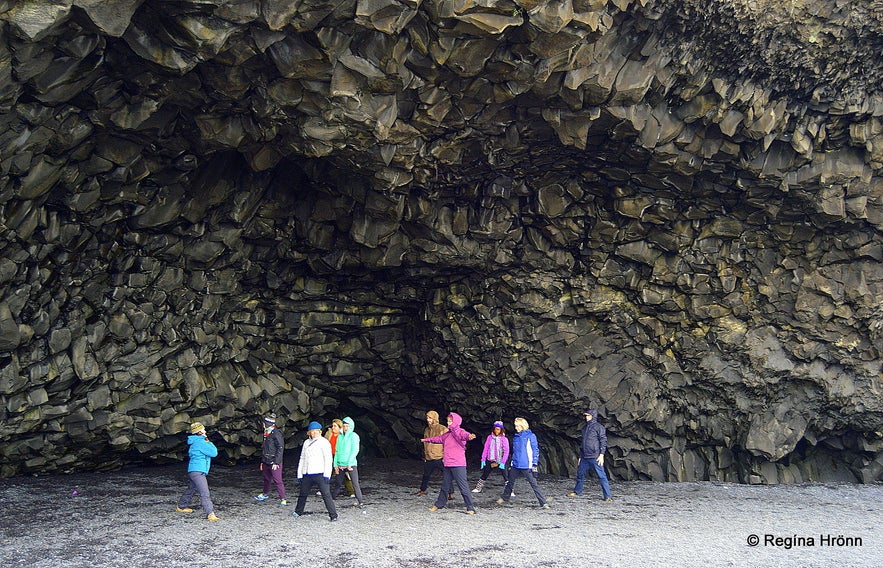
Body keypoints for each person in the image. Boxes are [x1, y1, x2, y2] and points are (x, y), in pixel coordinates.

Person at [421, 412, 477, 514]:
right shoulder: (447, 434)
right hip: (448, 464)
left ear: (456, 422)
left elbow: (465, 436)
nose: (449, 422)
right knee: (445, 486)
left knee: (463, 487)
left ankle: (470, 507)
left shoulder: (460, 432)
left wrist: (470, 436)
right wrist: (427, 440)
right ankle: (439, 504)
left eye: (450, 421)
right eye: (448, 421)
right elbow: (438, 439)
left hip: (458, 465)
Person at [496, 417, 550, 509]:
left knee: (533, 483)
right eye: (515, 426)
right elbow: (515, 451)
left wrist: (534, 464)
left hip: (526, 464)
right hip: (516, 463)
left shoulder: (530, 436)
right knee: (510, 481)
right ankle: (505, 497)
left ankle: (543, 502)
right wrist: (512, 461)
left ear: (522, 426)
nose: (516, 428)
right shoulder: (516, 437)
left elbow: (535, 450)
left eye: (517, 426)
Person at [292, 421, 338, 522]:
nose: (313, 434)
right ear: (309, 433)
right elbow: (302, 458)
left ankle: (333, 515)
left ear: (320, 432)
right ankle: (298, 511)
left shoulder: (324, 442)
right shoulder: (306, 443)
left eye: (316, 431)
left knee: (326, 494)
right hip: (307, 473)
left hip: (320, 473)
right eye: (312, 432)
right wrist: (300, 473)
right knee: (303, 493)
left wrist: (327, 474)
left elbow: (328, 459)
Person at [176, 422, 220, 521]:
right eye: (204, 430)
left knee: (191, 489)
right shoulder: (201, 442)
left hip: (193, 470)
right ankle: (210, 513)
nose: (205, 431)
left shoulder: (195, 442)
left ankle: (181, 506)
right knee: (205, 493)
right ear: (200, 432)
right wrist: (208, 441)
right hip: (198, 471)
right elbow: (214, 453)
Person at [568, 409, 613, 501]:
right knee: (580, 474)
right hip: (585, 457)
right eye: (586, 416)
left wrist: (601, 455)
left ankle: (607, 496)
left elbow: (603, 441)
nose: (586, 417)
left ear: (593, 416)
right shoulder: (585, 428)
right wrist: (580, 456)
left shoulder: (599, 427)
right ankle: (577, 491)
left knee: (602, 476)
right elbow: (583, 443)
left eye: (588, 415)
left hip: (595, 456)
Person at [333, 416, 366, 509]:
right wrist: (335, 464)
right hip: (340, 464)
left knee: (355, 483)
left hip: (350, 464)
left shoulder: (354, 436)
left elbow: (355, 450)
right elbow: (337, 451)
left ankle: (361, 501)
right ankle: (332, 499)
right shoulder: (340, 436)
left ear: (351, 427)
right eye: (344, 426)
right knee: (338, 483)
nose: (345, 428)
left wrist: (349, 463)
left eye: (347, 426)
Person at [254, 413, 287, 505]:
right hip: (266, 461)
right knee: (266, 478)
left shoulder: (276, 433)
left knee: (278, 480)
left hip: (274, 461)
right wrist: (262, 461)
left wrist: (276, 462)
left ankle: (283, 498)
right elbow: (265, 448)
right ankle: (265, 493)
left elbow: (280, 448)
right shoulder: (266, 433)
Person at [414, 410, 447, 496]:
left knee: (447, 475)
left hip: (440, 457)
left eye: (430, 418)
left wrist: (446, 456)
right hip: (429, 457)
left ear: (435, 418)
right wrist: (425, 455)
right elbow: (425, 443)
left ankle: (450, 493)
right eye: (427, 418)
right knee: (426, 474)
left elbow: (448, 443)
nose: (428, 420)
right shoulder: (427, 430)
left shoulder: (443, 429)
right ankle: (422, 490)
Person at [472, 421, 510, 493]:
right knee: (485, 474)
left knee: (506, 476)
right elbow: (486, 448)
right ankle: (478, 488)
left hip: (501, 459)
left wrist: (503, 462)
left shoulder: (504, 439)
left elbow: (506, 451)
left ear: (501, 430)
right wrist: (483, 459)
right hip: (491, 459)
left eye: (498, 429)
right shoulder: (490, 437)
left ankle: (510, 490)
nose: (496, 431)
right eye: (495, 429)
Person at [326, 419, 354, 498]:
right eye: (332, 426)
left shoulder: (342, 435)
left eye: (335, 426)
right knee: (327, 473)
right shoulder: (329, 433)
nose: (333, 427)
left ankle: (351, 491)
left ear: (339, 427)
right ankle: (324, 489)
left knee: (344, 474)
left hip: (339, 456)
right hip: (329, 455)